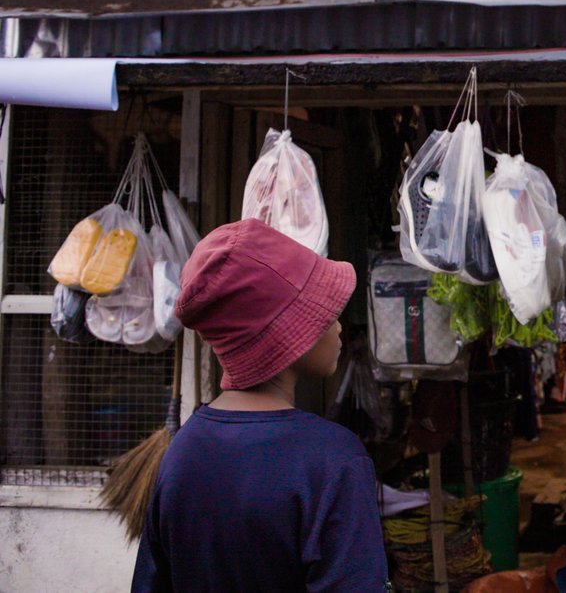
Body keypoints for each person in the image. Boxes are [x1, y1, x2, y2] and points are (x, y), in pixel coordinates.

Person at [132, 218, 389, 592]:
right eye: (324, 312)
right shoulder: (335, 459)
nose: (338, 326)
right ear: (287, 331)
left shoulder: (183, 452)